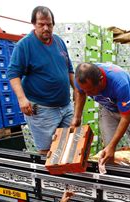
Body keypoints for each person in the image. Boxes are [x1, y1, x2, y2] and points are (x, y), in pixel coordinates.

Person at [8, 6, 81, 154]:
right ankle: (49, 177)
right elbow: (13, 74)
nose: (46, 28)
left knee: (70, 146)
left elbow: (69, 69)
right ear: (34, 24)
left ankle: (66, 176)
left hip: (65, 106)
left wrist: (77, 89)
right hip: (42, 110)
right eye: (41, 24)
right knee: (48, 152)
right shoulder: (24, 45)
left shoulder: (59, 41)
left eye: (49, 24)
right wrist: (22, 99)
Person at [74, 62, 130, 168]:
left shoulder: (120, 83)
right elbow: (79, 92)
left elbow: (126, 118)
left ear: (101, 80)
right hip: (108, 109)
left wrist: (113, 146)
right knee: (107, 150)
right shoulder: (81, 78)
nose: (88, 94)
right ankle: (110, 177)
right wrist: (77, 117)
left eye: (91, 90)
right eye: (86, 91)